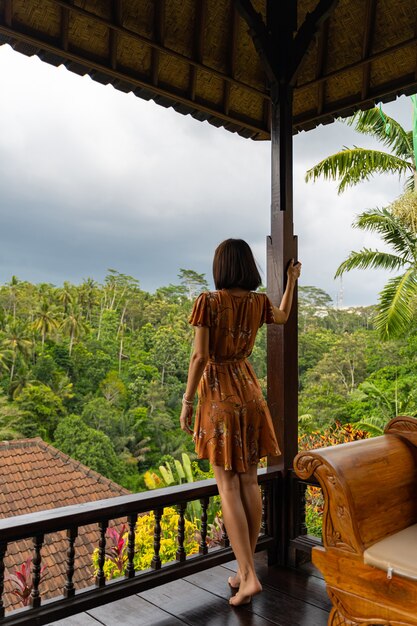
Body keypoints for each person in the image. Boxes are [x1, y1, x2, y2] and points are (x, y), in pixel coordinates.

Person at [179, 238, 301, 606]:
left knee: (227, 486)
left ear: (221, 267)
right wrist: (292, 280)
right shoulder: (258, 302)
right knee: (249, 481)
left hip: (218, 393)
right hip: (249, 392)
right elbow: (282, 316)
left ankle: (248, 576)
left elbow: (201, 356)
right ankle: (244, 571)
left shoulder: (208, 302)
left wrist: (187, 401)